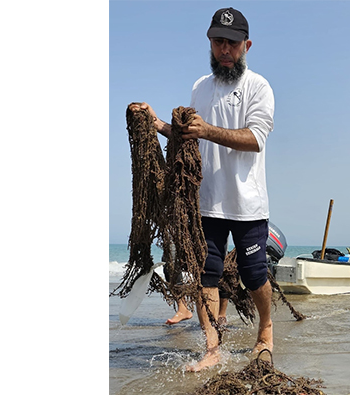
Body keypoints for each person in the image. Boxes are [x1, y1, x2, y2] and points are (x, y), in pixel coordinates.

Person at [129, 7, 275, 372]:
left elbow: (255, 139)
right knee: (204, 274)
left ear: (247, 45)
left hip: (247, 202)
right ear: (210, 43)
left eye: (232, 43)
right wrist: (157, 121)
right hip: (206, 202)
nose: (225, 49)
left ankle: (266, 332)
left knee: (254, 273)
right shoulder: (200, 87)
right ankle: (212, 346)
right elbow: (186, 139)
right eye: (218, 42)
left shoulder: (258, 87)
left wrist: (208, 130)